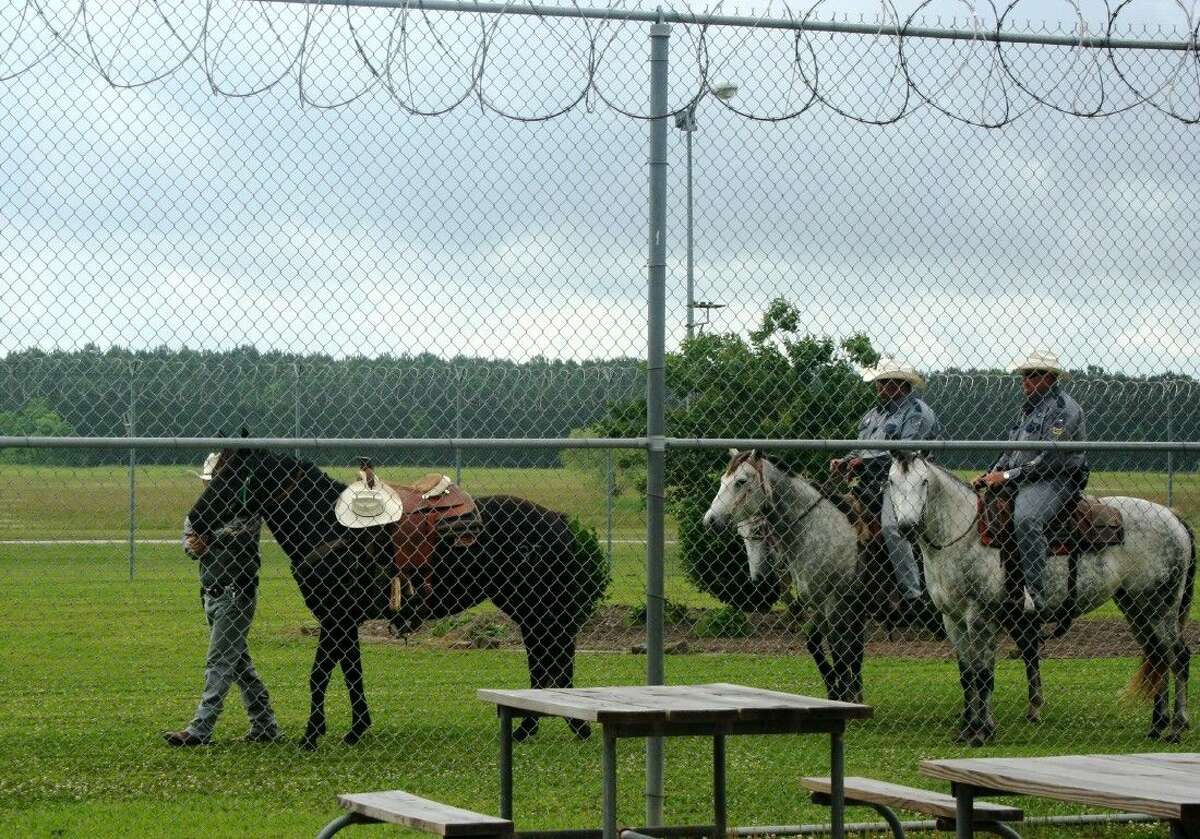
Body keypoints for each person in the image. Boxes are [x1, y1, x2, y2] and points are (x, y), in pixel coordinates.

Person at [163, 452, 281, 746]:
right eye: (209, 482)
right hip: (210, 595)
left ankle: (200, 729)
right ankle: (265, 724)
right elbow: (189, 547)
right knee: (239, 664)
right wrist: (197, 545)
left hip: (235, 594)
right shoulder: (197, 514)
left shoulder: (245, 510)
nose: (210, 487)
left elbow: (238, 536)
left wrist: (210, 539)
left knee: (218, 661)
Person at [974, 351, 1087, 614]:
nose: (1025, 381)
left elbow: (1049, 458)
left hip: (1056, 479)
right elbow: (1011, 449)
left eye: (1032, 375)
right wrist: (992, 471)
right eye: (1024, 376)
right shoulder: (1028, 408)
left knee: (1026, 518)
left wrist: (1007, 476)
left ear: (1049, 377)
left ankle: (1036, 596)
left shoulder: (1064, 409)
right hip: (1022, 478)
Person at [831, 358, 942, 610]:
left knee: (892, 527)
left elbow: (906, 451)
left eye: (887, 382)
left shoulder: (916, 412)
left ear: (901, 384)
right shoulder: (873, 415)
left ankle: (913, 595)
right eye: (879, 382)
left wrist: (861, 462)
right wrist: (845, 461)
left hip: (910, 480)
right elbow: (861, 447)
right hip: (873, 481)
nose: (881, 387)